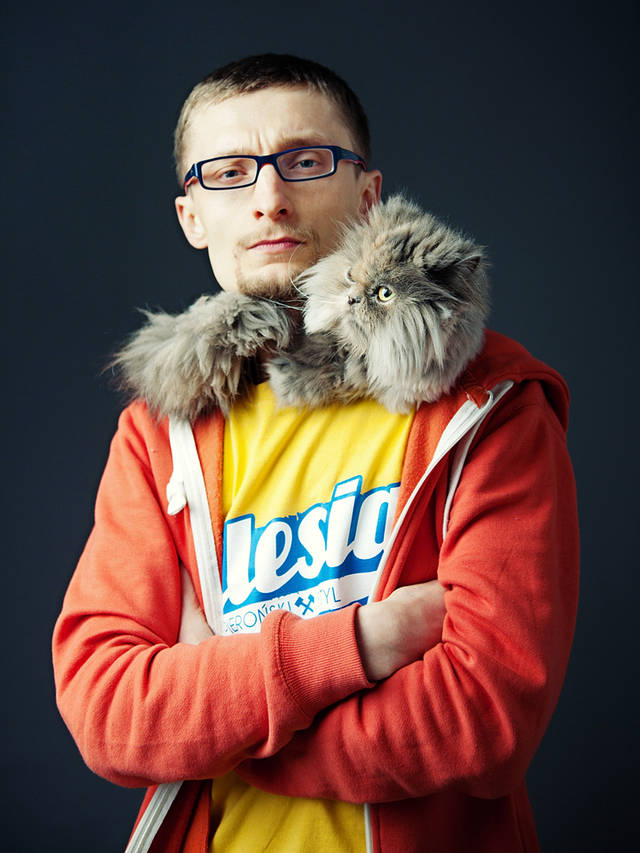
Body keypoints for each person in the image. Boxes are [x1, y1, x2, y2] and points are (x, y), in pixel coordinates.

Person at [52, 54, 580, 853]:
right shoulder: (161, 435)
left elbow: (483, 718)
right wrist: (363, 643)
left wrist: (220, 726)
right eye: (229, 172)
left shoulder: (486, 403)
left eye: (304, 161)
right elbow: (107, 710)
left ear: (367, 193)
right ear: (192, 216)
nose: (269, 198)